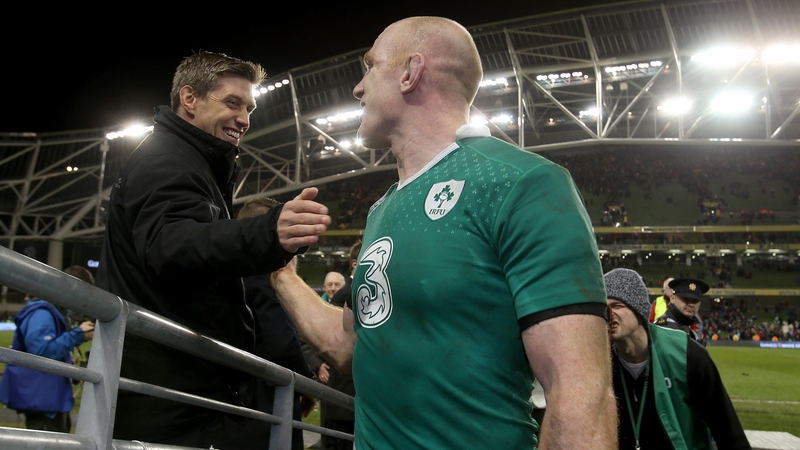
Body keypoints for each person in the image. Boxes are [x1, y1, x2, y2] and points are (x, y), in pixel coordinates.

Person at [271, 16, 616, 449]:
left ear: (410, 72)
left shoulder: (521, 183)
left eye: (370, 66)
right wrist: (280, 272)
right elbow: (351, 345)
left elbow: (579, 393)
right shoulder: (383, 208)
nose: (358, 89)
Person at [96, 51, 331, 447]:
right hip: (172, 399)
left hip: (186, 392)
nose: (245, 118)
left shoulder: (192, 161)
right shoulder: (165, 159)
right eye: (232, 103)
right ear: (189, 99)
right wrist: (267, 233)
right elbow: (169, 246)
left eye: (249, 107)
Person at [604, 268, 750, 449]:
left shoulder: (688, 353)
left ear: (638, 307)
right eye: (604, 307)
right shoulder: (601, 362)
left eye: (617, 306)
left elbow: (727, 429)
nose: (608, 314)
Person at [236, 196, 318, 450]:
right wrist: (308, 384)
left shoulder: (225, 267)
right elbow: (281, 341)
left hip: (233, 399)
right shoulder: (265, 271)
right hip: (263, 399)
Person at [0, 265, 95, 432]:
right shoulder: (42, 312)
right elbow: (41, 352)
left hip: (48, 400)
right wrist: (78, 335)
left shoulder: (49, 310)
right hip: (43, 401)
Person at [320, 241, 360, 450]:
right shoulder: (348, 293)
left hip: (345, 394)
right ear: (355, 263)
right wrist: (318, 363)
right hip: (342, 393)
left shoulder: (350, 291)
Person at [655, 277, 708, 345]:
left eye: (695, 301)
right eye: (685, 299)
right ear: (672, 298)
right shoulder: (666, 328)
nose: (691, 304)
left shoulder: (684, 327)